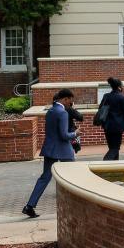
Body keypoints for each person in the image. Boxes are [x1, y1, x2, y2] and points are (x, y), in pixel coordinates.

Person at [23, 89, 77, 218]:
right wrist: (75, 133)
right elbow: (64, 135)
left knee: (45, 178)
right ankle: (75, 207)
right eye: (71, 100)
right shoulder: (62, 112)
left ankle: (29, 206)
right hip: (63, 150)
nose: (71, 103)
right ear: (65, 99)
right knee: (73, 176)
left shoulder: (51, 111)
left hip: (49, 149)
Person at [95, 78, 124, 160]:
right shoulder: (122, 98)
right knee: (115, 148)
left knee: (112, 147)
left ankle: (115, 165)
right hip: (117, 126)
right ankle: (105, 162)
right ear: (119, 87)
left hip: (107, 126)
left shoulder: (106, 96)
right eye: (122, 86)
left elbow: (100, 108)